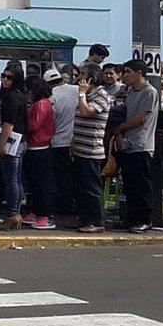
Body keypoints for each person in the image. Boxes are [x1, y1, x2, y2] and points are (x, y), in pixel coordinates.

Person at [110, 60, 158, 233]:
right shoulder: (129, 92)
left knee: (141, 186)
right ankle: (131, 217)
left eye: (128, 72)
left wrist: (121, 128)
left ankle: (145, 219)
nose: (125, 75)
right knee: (129, 185)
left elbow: (141, 117)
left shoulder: (149, 92)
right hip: (126, 144)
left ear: (139, 73)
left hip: (141, 144)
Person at [71, 67, 112, 232]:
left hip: (91, 150)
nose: (79, 78)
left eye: (83, 75)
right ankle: (84, 218)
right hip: (80, 146)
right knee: (81, 187)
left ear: (91, 79)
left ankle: (96, 221)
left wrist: (82, 94)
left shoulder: (101, 95)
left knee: (91, 187)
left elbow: (87, 112)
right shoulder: (88, 95)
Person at [0, 70, 29, 231]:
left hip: (12, 141)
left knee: (11, 180)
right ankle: (15, 213)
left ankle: (13, 214)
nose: (5, 80)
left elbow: (9, 123)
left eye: (9, 78)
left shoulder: (11, 97)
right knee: (16, 179)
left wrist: (2, 144)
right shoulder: (18, 96)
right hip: (20, 141)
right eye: (3, 76)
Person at [22, 76, 57, 229]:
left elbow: (34, 125)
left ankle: (46, 214)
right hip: (33, 146)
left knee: (42, 184)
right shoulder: (39, 103)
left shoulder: (41, 104)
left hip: (40, 146)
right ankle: (36, 211)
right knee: (35, 183)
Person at [48, 67, 80, 215]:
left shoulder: (52, 96)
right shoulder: (76, 89)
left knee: (62, 177)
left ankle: (65, 205)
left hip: (58, 142)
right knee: (76, 176)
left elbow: (50, 120)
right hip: (77, 140)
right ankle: (76, 204)